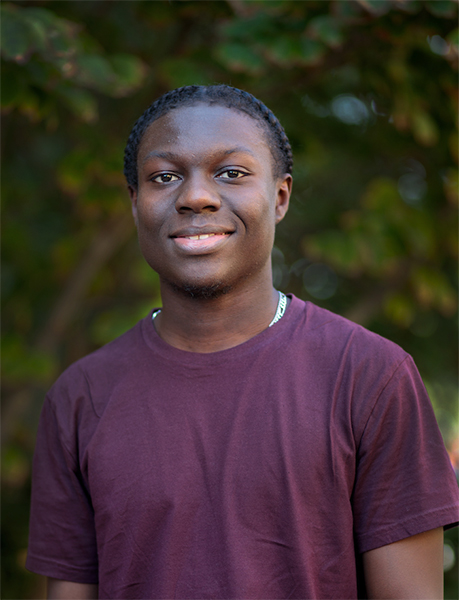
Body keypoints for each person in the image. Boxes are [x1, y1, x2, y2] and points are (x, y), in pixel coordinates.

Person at [26, 85, 458, 600]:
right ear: (136, 204)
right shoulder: (81, 397)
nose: (195, 196)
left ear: (279, 197)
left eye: (231, 173)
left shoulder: (370, 376)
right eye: (165, 177)